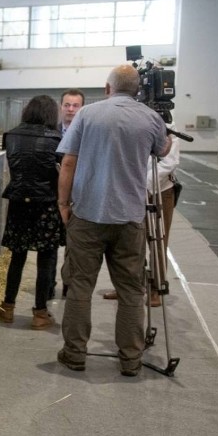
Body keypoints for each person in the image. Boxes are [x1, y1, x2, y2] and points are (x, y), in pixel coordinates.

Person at [55, 64, 172, 377]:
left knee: (80, 285)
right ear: (137, 91)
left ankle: (75, 353)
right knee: (132, 290)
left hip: (88, 214)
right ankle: (131, 358)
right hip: (130, 219)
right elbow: (163, 149)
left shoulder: (87, 114)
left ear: (107, 88)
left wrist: (63, 203)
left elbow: (68, 161)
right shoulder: (151, 118)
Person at [0, 96, 65, 330]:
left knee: (17, 255)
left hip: (19, 202)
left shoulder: (11, 136)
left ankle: (7, 307)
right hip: (47, 203)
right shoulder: (57, 139)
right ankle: (40, 314)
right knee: (46, 258)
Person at [103, 134, 180, 307]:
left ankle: (155, 289)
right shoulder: (132, 117)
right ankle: (128, 285)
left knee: (158, 242)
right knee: (128, 241)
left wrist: (142, 184)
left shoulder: (167, 122)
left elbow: (170, 161)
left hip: (160, 190)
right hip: (130, 189)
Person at [51, 89, 86, 299]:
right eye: (67, 105)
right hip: (52, 195)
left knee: (73, 243)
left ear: (82, 108)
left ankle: (68, 282)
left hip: (79, 196)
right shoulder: (51, 132)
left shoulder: (87, 133)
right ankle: (48, 282)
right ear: (61, 106)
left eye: (75, 106)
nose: (71, 110)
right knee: (52, 241)